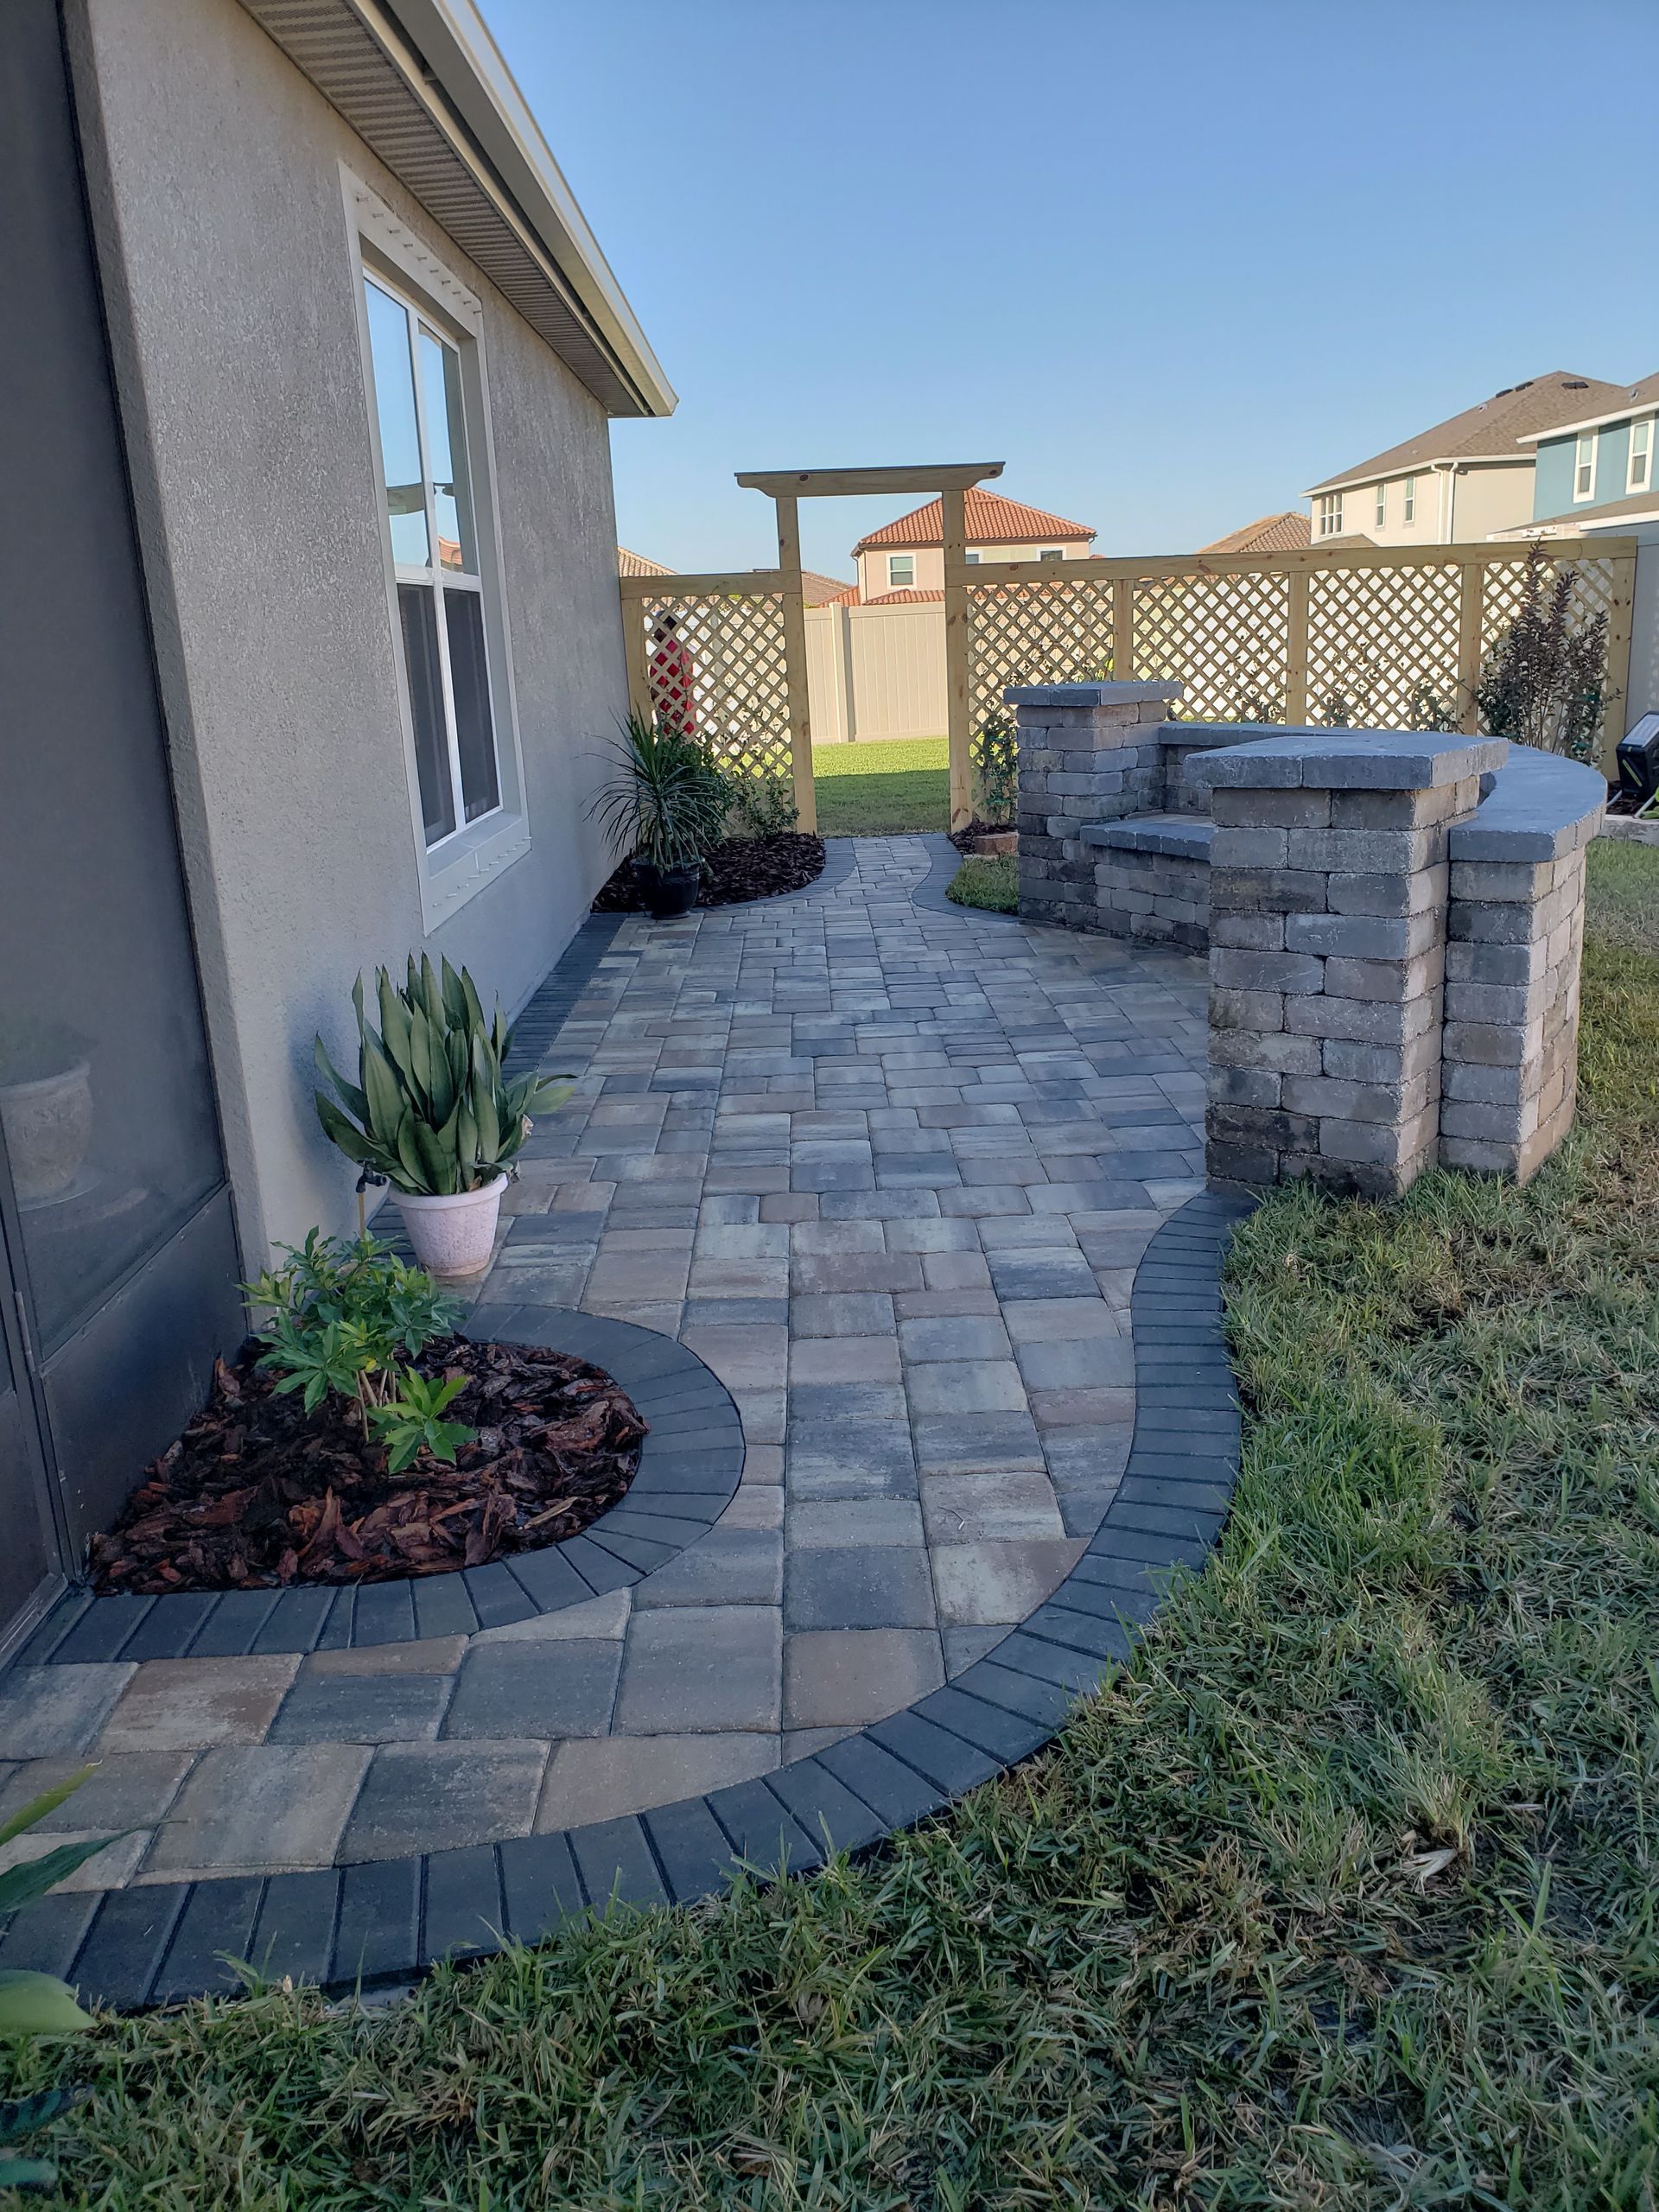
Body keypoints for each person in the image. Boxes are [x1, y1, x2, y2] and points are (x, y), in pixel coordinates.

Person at [647, 613, 696, 739]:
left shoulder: (662, 654)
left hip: (671, 720)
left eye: (655, 626)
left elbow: (657, 690)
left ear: (666, 626)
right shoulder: (683, 650)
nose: (652, 632)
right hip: (688, 716)